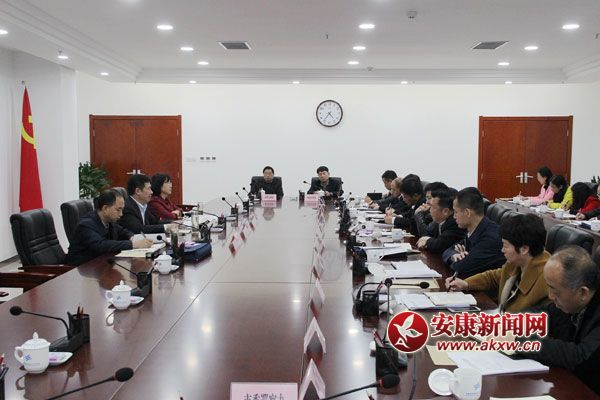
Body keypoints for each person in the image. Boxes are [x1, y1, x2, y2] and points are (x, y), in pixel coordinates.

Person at [517, 246, 600, 395]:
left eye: (554, 290)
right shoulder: (569, 301)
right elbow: (540, 314)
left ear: (583, 292)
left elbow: (580, 358)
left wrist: (523, 341)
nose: (550, 296)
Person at [446, 213, 550, 313]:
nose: (502, 250)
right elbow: (494, 277)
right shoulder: (518, 262)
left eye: (505, 246)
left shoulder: (547, 280)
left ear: (524, 249)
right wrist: (466, 284)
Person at [66, 190, 153, 265]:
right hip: (81, 269)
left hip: (100, 265)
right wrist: (133, 244)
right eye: (118, 210)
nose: (121, 214)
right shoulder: (86, 225)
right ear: (105, 208)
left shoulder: (109, 220)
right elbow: (101, 245)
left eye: (122, 210)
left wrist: (133, 237)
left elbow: (123, 231)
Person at [442, 188, 506, 278]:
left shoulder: (490, 238)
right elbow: (447, 251)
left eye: (456, 212)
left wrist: (459, 260)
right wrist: (453, 256)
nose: (454, 217)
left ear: (467, 212)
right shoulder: (476, 229)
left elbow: (461, 268)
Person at [415, 188, 465, 253]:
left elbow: (440, 245)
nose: (429, 210)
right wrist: (426, 239)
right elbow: (425, 234)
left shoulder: (455, 223)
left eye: (432, 207)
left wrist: (427, 240)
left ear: (445, 211)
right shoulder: (439, 220)